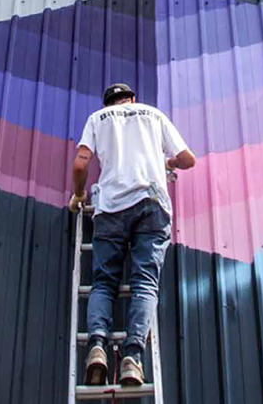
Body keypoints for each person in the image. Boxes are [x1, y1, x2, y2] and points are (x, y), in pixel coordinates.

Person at [69, 82, 196, 387]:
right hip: (151, 203)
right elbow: (188, 159)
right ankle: (133, 357)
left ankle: (97, 346)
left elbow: (80, 163)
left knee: (103, 282)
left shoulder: (97, 119)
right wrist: (165, 163)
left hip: (111, 208)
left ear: (108, 103)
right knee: (144, 282)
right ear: (132, 99)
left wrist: (78, 194)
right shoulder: (152, 114)